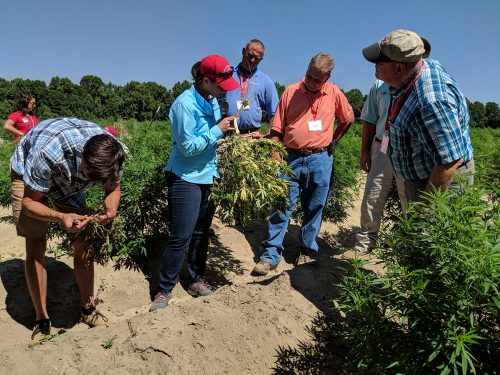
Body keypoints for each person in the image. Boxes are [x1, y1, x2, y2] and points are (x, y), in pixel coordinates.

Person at [10, 117, 127, 339]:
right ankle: (41, 318)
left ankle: (88, 308)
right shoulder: (48, 153)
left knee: (84, 240)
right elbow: (29, 202)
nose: (95, 184)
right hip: (28, 176)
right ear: (82, 157)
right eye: (92, 178)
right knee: (36, 242)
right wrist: (61, 216)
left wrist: (111, 209)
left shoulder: (113, 154)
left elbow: (113, 188)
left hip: (68, 182)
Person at [252, 53, 354, 276]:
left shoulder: (334, 93)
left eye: (317, 79)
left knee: (315, 206)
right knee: (281, 205)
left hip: (320, 158)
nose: (311, 81)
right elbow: (276, 127)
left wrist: (333, 141)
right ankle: (270, 255)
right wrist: (274, 153)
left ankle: (307, 249)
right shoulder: (291, 91)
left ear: (327, 77)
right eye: (309, 75)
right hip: (291, 157)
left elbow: (348, 119)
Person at [149, 55, 238, 312]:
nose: (223, 90)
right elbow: (187, 148)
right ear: (206, 80)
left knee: (201, 233)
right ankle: (164, 290)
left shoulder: (211, 101)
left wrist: (225, 132)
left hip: (207, 174)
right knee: (181, 237)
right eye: (220, 85)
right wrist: (218, 130)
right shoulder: (183, 105)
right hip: (185, 177)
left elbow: (210, 139)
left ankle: (196, 279)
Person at [362, 30, 473, 204]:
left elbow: (448, 163)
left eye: (380, 62)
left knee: (428, 229)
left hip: (439, 182)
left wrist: (424, 213)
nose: (375, 65)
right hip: (421, 176)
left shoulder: (430, 102)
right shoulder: (416, 70)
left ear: (399, 68)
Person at [352, 38, 432, 255]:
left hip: (408, 150)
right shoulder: (379, 86)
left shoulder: (422, 89)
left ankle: (409, 248)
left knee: (410, 199)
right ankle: (365, 243)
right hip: (382, 148)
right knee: (373, 196)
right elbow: (369, 120)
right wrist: (365, 152)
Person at [221, 39, 279, 136]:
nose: (252, 60)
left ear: (261, 59)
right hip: (227, 135)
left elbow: (275, 112)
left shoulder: (265, 80)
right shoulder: (228, 74)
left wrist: (270, 136)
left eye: (257, 58)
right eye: (250, 55)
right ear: (243, 51)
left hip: (252, 136)